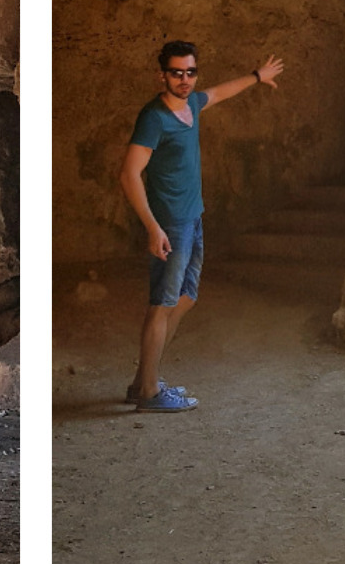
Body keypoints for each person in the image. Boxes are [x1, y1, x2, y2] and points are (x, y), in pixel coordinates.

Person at [119, 40, 284, 411]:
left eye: (190, 72)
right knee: (161, 303)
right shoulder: (154, 117)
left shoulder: (191, 104)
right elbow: (129, 174)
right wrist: (153, 227)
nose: (184, 79)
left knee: (184, 298)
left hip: (193, 218)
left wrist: (258, 76)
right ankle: (148, 393)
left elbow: (220, 92)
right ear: (162, 75)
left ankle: (143, 380)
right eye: (176, 72)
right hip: (170, 224)